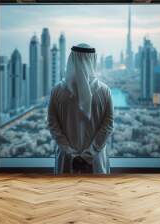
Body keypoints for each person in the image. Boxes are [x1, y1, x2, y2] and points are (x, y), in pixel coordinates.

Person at [48, 43, 114, 174]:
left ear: (71, 59)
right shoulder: (105, 91)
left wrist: (70, 154)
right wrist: (88, 155)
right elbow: (108, 126)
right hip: (95, 161)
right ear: (93, 60)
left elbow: (53, 125)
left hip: (66, 160)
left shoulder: (57, 90)